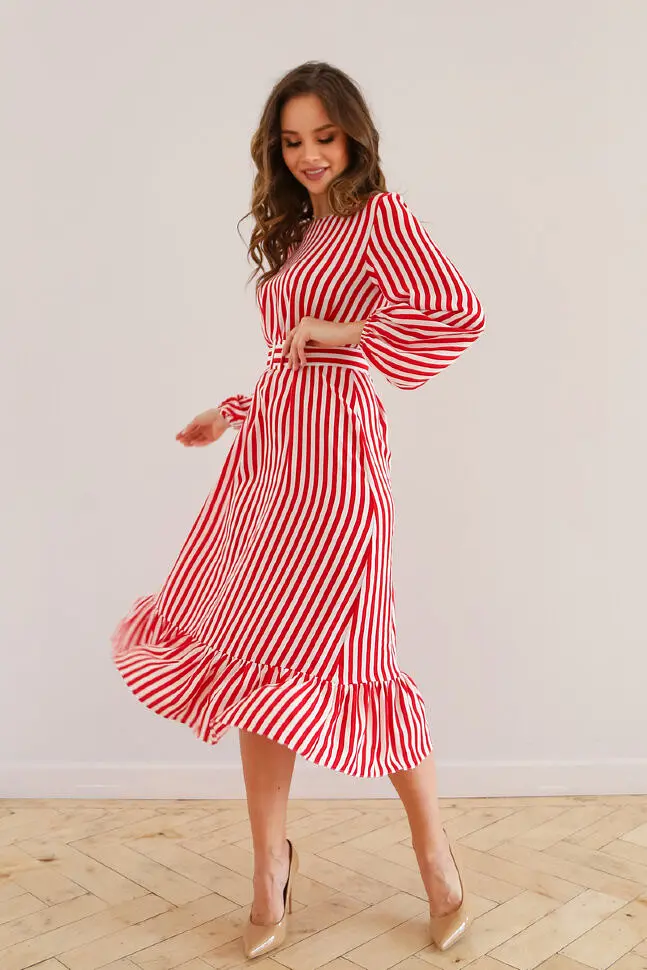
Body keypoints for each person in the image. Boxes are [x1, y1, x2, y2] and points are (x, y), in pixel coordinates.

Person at [111, 60, 485, 959]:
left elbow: (458, 314)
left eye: (324, 136)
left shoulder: (379, 218)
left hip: (341, 468)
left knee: (360, 660)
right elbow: (291, 361)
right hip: (272, 466)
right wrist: (230, 409)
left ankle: (434, 856)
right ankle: (268, 867)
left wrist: (339, 331)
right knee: (254, 656)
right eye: (291, 141)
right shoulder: (299, 234)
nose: (310, 155)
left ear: (353, 135)